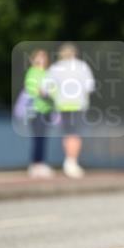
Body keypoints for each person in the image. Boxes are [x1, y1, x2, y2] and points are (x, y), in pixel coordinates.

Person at [42, 43, 95, 178]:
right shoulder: (82, 66)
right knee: (75, 134)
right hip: (78, 104)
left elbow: (45, 88)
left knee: (67, 134)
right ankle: (71, 162)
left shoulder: (55, 67)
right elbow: (89, 86)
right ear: (75, 53)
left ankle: (69, 160)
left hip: (62, 104)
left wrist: (55, 96)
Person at [23, 48, 54, 178]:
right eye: (39, 56)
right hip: (35, 110)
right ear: (33, 59)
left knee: (43, 137)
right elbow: (31, 89)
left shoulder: (48, 73)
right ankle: (35, 164)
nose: (42, 59)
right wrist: (42, 92)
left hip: (46, 109)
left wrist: (51, 94)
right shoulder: (32, 72)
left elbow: (53, 90)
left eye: (44, 56)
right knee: (37, 137)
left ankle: (40, 162)